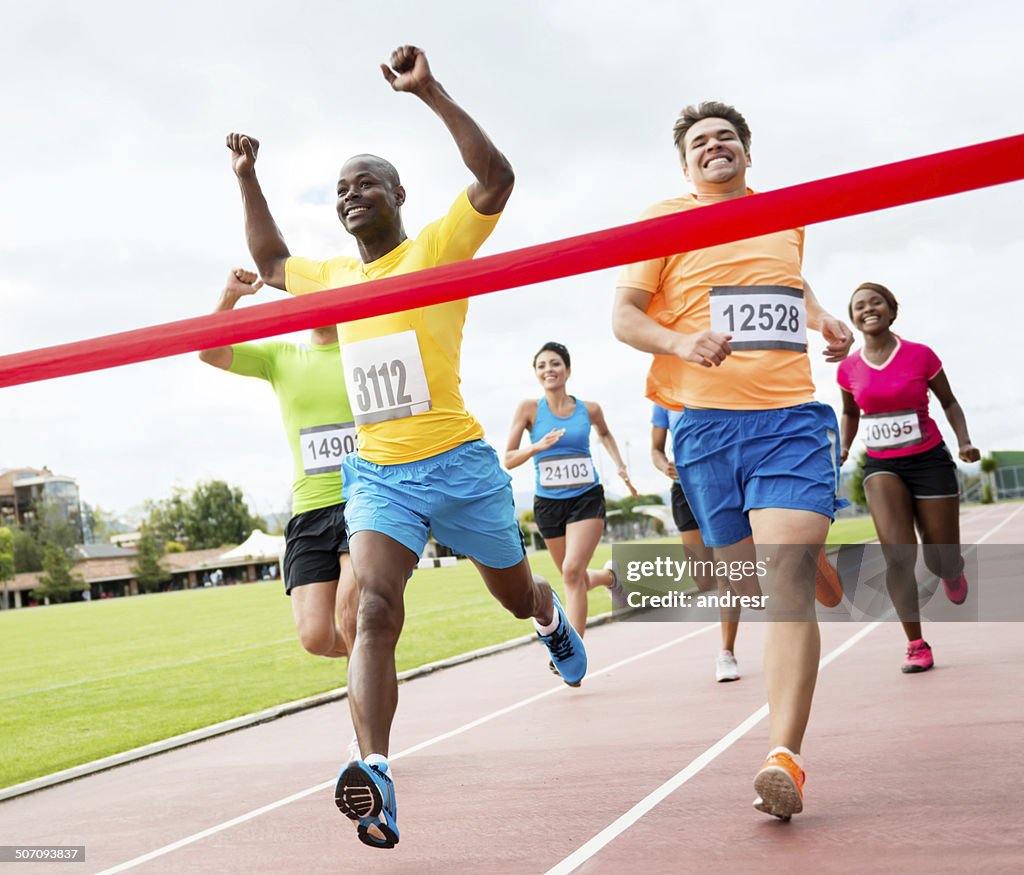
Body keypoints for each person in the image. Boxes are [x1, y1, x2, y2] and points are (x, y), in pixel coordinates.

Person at [227, 46, 585, 849]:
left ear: (397, 195)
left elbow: (497, 179)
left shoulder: (434, 250)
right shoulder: (332, 280)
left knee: (513, 592)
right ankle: (376, 771)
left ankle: (547, 618)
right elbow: (273, 262)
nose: (351, 193)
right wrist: (248, 174)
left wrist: (428, 91)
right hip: (381, 472)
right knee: (378, 609)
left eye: (366, 181)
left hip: (459, 463)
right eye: (342, 186)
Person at [612, 101, 853, 821]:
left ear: (748, 152)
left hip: (790, 420)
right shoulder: (663, 220)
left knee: (780, 587)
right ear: (685, 164)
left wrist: (823, 318)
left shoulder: (787, 214)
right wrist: (683, 344)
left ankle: (785, 755)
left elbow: (789, 285)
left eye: (726, 137)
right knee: (746, 577)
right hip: (707, 430)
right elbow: (624, 317)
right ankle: (803, 551)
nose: (714, 146)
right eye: (699, 141)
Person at [198, 269, 358, 667]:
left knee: (352, 618)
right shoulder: (281, 357)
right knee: (316, 637)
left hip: (365, 502)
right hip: (309, 510)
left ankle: (369, 716)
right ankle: (372, 659)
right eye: (308, 296)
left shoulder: (364, 351)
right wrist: (230, 296)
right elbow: (208, 351)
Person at [838, 282, 979, 673]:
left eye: (875, 302)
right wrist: (844, 448)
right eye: (859, 306)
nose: (868, 309)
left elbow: (949, 402)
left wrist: (964, 441)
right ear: (853, 318)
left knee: (941, 557)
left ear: (891, 310)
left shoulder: (920, 355)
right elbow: (850, 413)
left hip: (929, 461)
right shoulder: (848, 368)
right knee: (898, 556)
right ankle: (916, 643)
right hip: (882, 466)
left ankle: (951, 571)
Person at [505, 341, 636, 647]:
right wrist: (538, 446)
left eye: (555, 363)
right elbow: (509, 458)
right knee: (572, 577)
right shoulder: (528, 409)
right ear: (536, 374)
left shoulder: (588, 409)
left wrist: (620, 465)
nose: (548, 370)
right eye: (542, 366)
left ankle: (572, 648)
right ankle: (609, 577)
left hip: (586, 498)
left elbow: (604, 433)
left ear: (568, 369)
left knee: (572, 571)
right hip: (549, 503)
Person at [650, 403, 742, 682]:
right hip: (685, 490)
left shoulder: (717, 382)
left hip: (724, 484)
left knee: (725, 570)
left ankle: (726, 652)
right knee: (703, 579)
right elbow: (655, 448)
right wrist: (664, 465)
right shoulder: (664, 397)